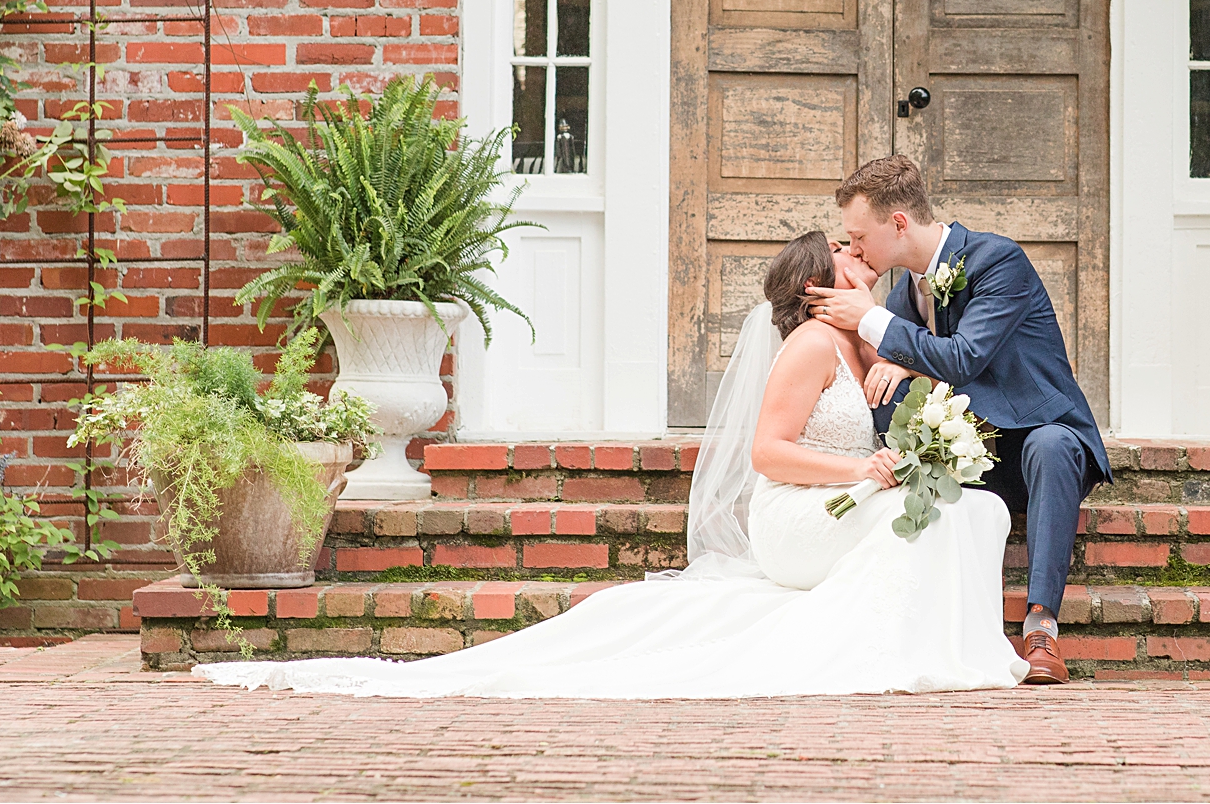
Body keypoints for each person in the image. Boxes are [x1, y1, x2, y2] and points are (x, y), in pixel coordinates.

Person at [195, 232, 1026, 699]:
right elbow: (765, 454)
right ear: (816, 287)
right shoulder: (812, 343)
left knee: (973, 508)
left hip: (842, 500)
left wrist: (906, 374)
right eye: (848, 256)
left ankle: (943, 647)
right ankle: (885, 650)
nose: (866, 261)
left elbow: (921, 374)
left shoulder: (864, 341)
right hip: (797, 517)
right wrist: (863, 475)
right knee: (919, 516)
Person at [804, 155, 1109, 686]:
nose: (853, 250)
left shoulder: (997, 260)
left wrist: (874, 323)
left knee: (1053, 446)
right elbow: (910, 354)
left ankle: (1040, 630)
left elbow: (966, 356)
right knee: (890, 402)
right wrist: (892, 342)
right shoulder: (906, 292)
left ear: (898, 223)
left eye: (858, 237)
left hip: (1038, 432)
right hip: (975, 452)